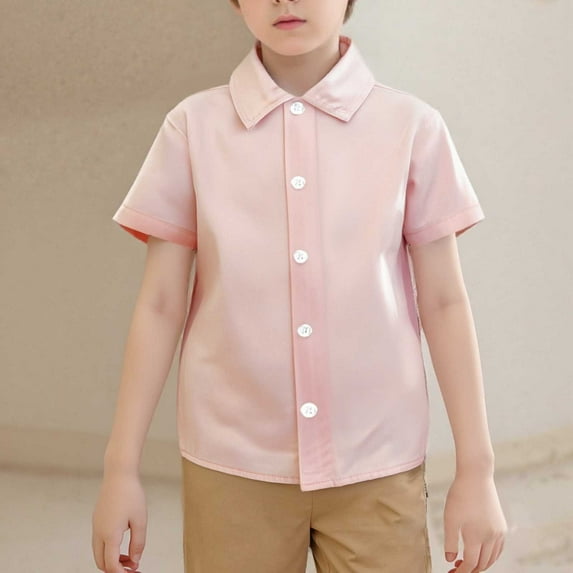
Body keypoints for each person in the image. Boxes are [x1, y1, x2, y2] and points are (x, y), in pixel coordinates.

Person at [91, 1, 509, 572]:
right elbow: (161, 305)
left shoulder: (412, 127)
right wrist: (120, 469)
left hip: (377, 461)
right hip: (231, 465)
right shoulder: (192, 127)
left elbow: (444, 302)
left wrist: (477, 471)